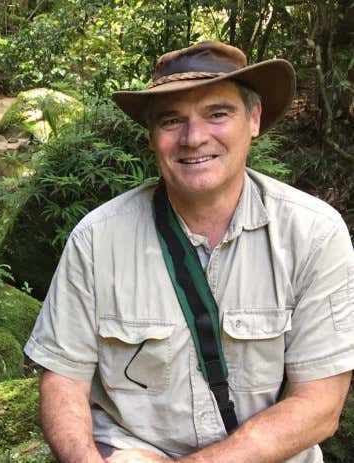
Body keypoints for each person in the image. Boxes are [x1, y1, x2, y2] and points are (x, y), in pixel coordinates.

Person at [24, 41, 354, 463]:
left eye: (218, 114)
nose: (194, 138)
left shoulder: (314, 234)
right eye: (171, 120)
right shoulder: (96, 239)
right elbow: (62, 381)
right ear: (152, 137)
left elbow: (320, 405)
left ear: (253, 119)